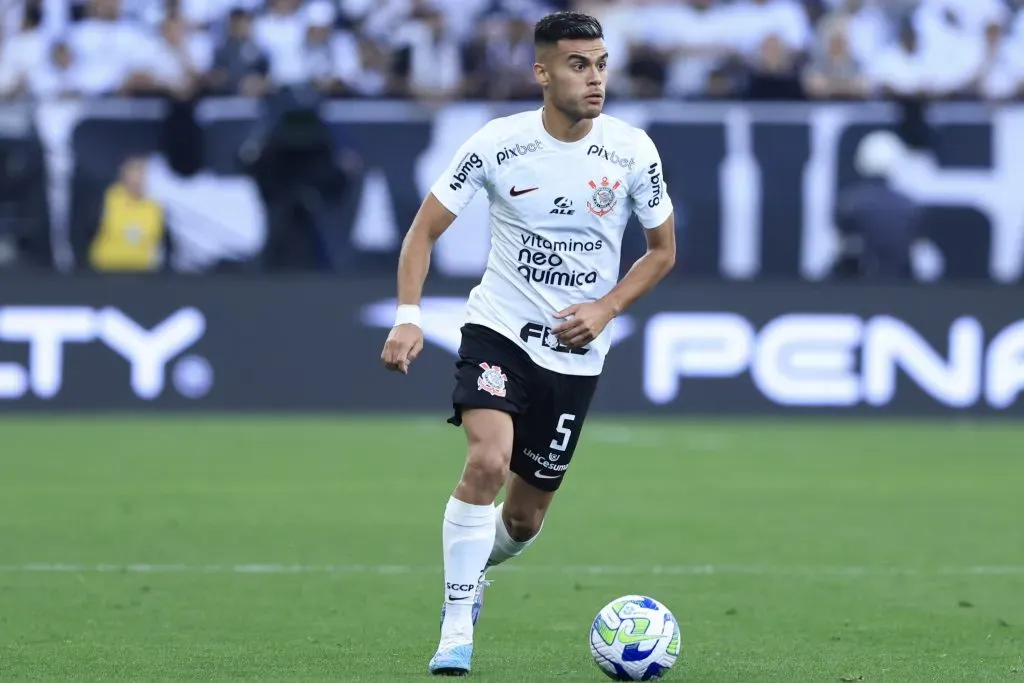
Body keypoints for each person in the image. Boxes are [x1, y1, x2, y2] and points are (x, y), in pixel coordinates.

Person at [379, 11, 676, 676]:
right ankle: (456, 625)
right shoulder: (497, 144)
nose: (595, 78)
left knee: (524, 518)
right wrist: (407, 314)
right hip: (499, 330)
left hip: (575, 352)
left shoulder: (632, 151)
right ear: (542, 72)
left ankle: (476, 571)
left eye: (601, 64)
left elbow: (662, 252)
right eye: (578, 65)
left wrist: (606, 306)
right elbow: (423, 231)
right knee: (487, 459)